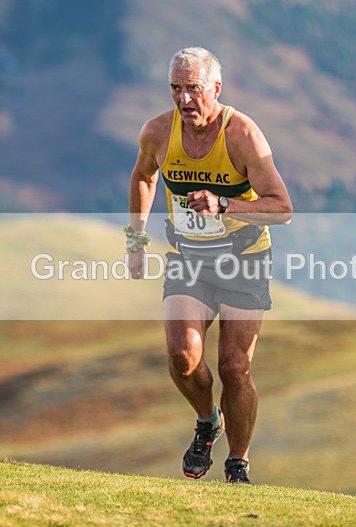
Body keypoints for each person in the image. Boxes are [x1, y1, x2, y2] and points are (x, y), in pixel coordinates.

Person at [125, 47, 292, 484]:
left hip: (244, 260)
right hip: (188, 260)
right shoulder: (158, 133)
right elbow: (144, 176)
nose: (184, 100)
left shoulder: (243, 136)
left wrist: (223, 204)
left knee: (235, 368)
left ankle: (238, 463)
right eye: (176, 89)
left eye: (193, 89)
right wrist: (136, 240)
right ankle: (206, 421)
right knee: (183, 357)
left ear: (216, 89)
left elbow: (282, 208)